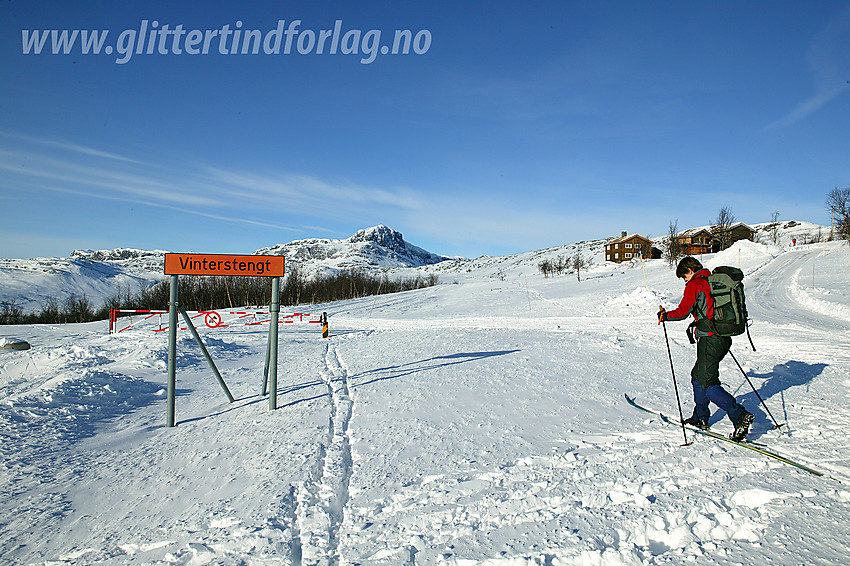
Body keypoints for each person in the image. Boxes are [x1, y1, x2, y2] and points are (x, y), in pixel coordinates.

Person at [658, 256, 754, 441]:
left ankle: (739, 415)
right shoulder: (710, 281)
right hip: (721, 337)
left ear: (689, 271)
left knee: (707, 381)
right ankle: (700, 417)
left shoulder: (695, 284)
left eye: (684, 276)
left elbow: (682, 312)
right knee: (698, 376)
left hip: (710, 339)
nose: (684, 280)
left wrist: (664, 316)